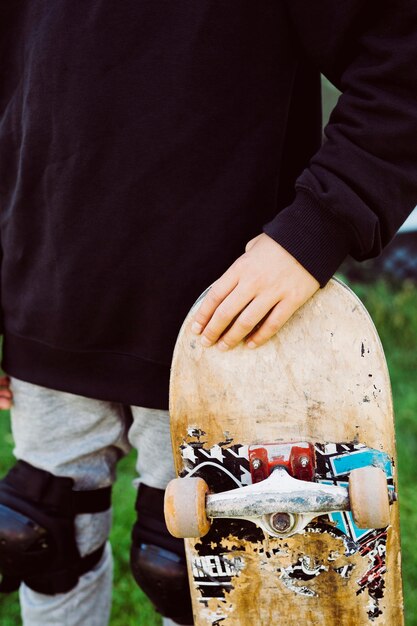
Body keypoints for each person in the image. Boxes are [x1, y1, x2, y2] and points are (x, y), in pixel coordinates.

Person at [0, 2, 416, 625]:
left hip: (227, 334)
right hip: (45, 302)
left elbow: (402, 65)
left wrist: (315, 231)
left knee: (198, 571)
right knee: (39, 534)